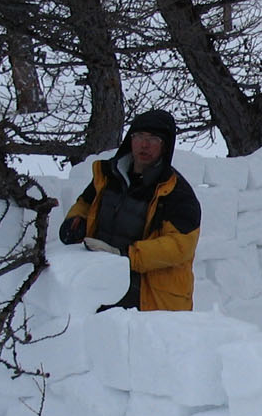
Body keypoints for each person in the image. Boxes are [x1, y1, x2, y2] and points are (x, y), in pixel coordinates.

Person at [58, 108, 201, 311]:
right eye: (139, 136)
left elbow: (180, 246)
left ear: (165, 146)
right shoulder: (108, 175)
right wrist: (75, 222)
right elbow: (84, 204)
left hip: (150, 299)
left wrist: (126, 255)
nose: (144, 144)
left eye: (154, 139)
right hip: (103, 284)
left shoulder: (176, 193)